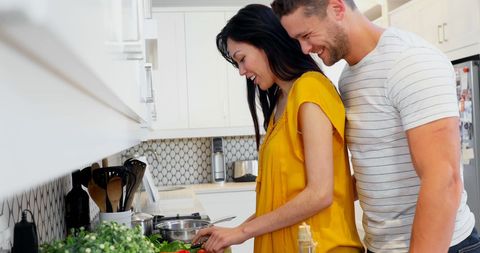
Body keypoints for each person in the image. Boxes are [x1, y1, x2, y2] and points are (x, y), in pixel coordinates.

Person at [271, 0, 479, 252]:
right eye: (297, 40)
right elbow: (374, 170)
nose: (304, 49)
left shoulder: (409, 60)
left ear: (337, 9)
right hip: (381, 246)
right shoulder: (349, 78)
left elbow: (443, 179)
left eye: (306, 35)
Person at [192, 4, 363, 253]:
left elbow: (320, 194)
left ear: (266, 42)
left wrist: (240, 232)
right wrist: (231, 233)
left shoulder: (310, 89)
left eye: (242, 58)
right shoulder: (281, 103)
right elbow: (282, 203)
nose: (241, 71)